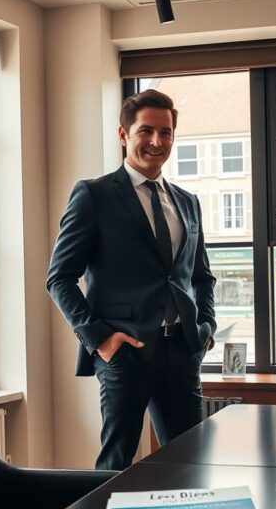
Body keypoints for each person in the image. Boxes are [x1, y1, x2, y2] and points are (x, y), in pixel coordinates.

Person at [47, 89, 216, 471]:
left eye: (166, 132)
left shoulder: (187, 201)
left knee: (191, 461)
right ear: (124, 134)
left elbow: (202, 275)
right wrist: (100, 339)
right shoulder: (94, 195)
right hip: (126, 352)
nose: (157, 142)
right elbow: (59, 278)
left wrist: (205, 328)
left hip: (183, 351)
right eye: (146, 131)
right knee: (116, 463)